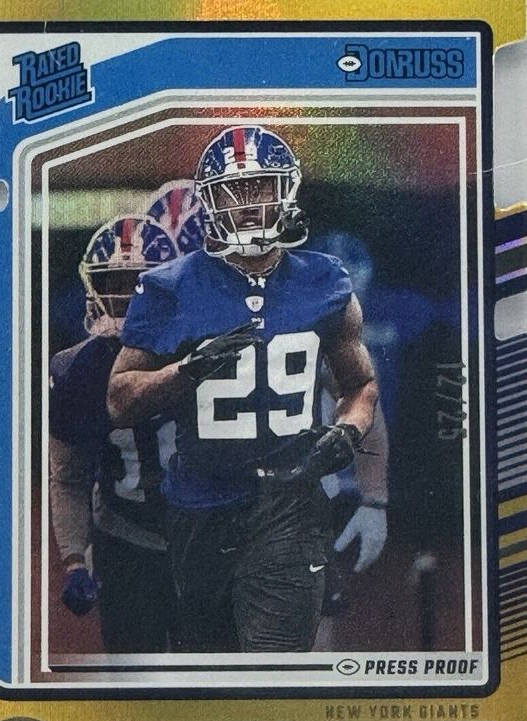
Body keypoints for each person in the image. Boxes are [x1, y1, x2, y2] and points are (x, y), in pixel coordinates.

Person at [108, 125, 378, 653]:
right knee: (209, 664)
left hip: (289, 502)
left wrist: (349, 429)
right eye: (234, 190)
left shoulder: (325, 281)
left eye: (261, 187)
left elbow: (361, 384)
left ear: (286, 191)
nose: (250, 203)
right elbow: (119, 400)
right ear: (211, 201)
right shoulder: (169, 286)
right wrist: (185, 371)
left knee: (274, 665)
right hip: (199, 503)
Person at [49, 200, 204, 653]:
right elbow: (69, 476)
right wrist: (75, 561)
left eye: (139, 283)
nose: (123, 297)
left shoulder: (206, 345)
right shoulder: (77, 368)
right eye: (112, 283)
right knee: (133, 673)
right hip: (126, 535)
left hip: (206, 533)